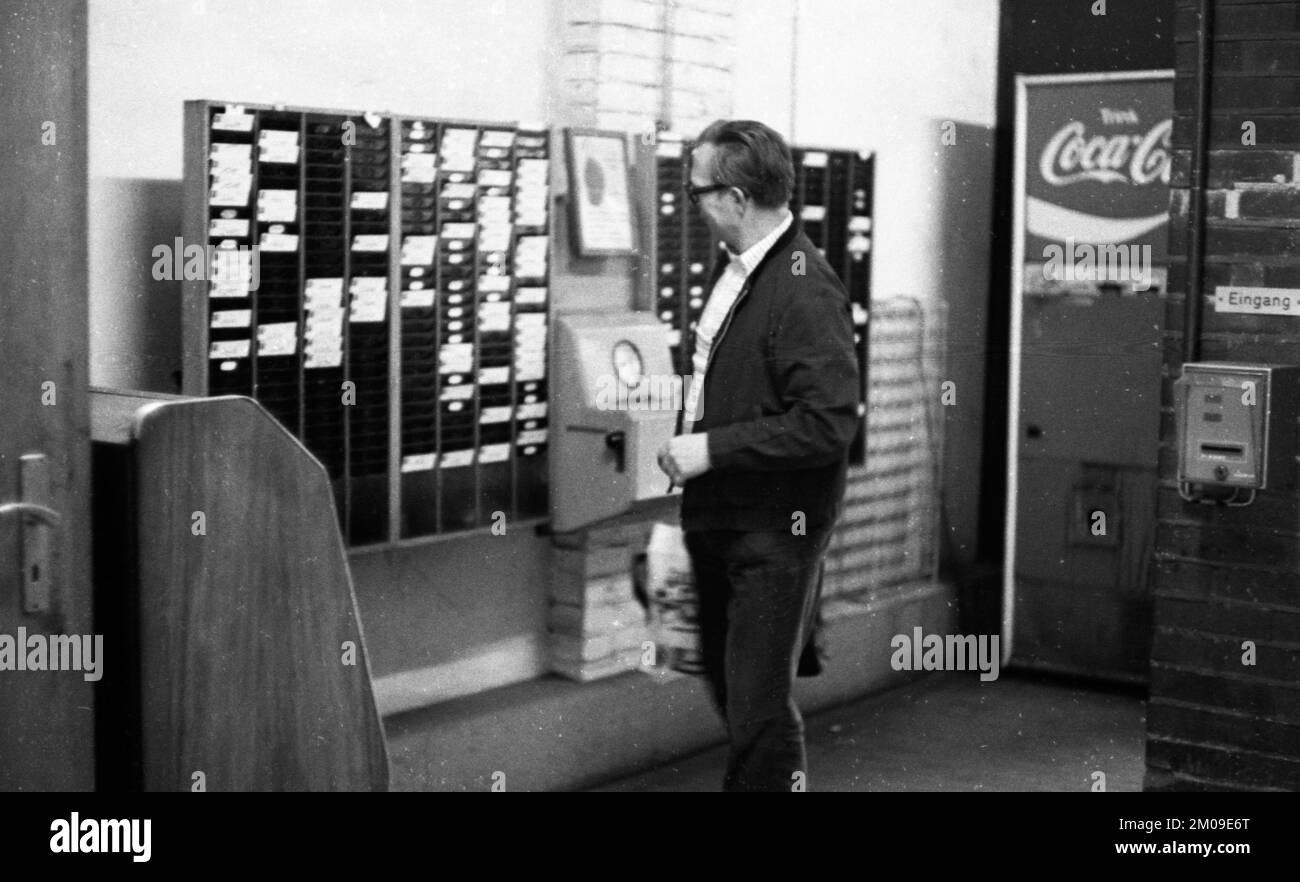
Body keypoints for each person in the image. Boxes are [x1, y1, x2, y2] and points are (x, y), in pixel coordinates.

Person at [656, 119, 861, 792]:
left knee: (757, 707)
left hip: (772, 531)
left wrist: (710, 449)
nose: (694, 203)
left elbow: (826, 424)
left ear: (738, 198)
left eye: (698, 192)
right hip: (722, 519)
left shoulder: (805, 286)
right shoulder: (741, 272)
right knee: (734, 689)